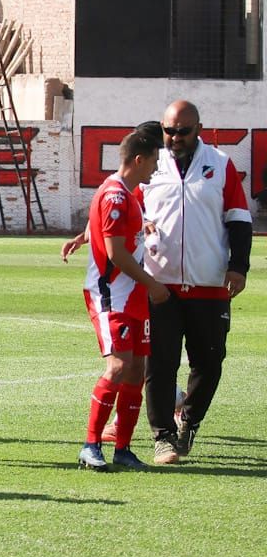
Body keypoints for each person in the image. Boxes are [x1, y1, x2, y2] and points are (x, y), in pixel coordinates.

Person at [64, 102, 253, 465]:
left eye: (183, 131)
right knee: (158, 364)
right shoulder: (152, 162)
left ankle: (189, 423)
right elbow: (117, 205)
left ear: (199, 129)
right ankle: (162, 436)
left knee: (209, 362)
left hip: (209, 281)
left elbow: (239, 218)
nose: (175, 138)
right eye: (169, 131)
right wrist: (87, 234)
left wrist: (238, 266)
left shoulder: (219, 164)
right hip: (158, 282)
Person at [72, 130, 168, 472]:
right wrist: (152, 284)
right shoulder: (114, 195)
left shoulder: (127, 193)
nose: (155, 168)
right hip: (112, 295)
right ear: (139, 160)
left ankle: (123, 449)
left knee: (136, 370)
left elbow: (113, 233)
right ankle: (90, 445)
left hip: (133, 296)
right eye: (153, 161)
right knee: (117, 367)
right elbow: (116, 253)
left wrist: (84, 236)